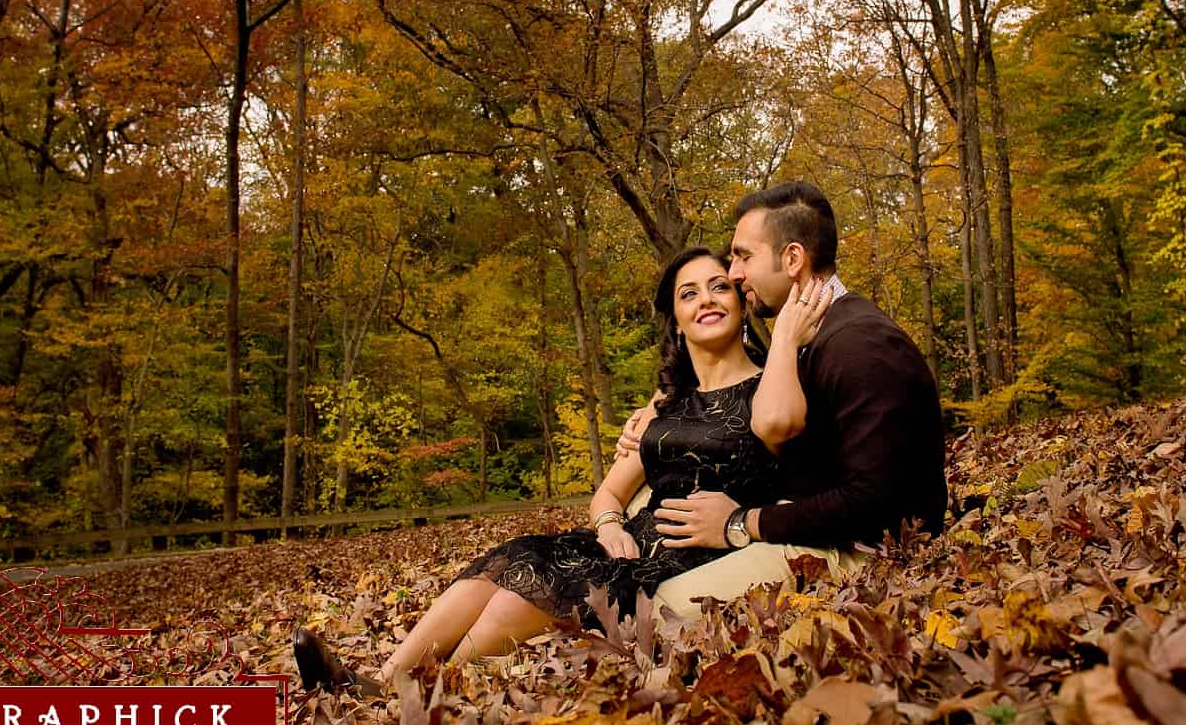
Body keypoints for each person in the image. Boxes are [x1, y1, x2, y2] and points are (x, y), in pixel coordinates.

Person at [293, 245, 833, 693]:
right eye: (688, 294)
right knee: (511, 558)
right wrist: (610, 526)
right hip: (627, 544)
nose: (707, 300)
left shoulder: (772, 383)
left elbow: (799, 461)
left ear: (741, 301)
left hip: (687, 558)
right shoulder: (665, 402)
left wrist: (744, 517)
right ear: (677, 320)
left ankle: (414, 695)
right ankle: (378, 682)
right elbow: (609, 494)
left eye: (719, 286)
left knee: (520, 594)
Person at [638, 181, 946, 616]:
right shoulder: (809, 335)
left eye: (744, 256)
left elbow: (875, 503)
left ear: (793, 258)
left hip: (865, 550)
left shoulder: (862, 346)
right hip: (810, 525)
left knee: (661, 608)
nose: (735, 272)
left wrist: (740, 523)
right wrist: (655, 413)